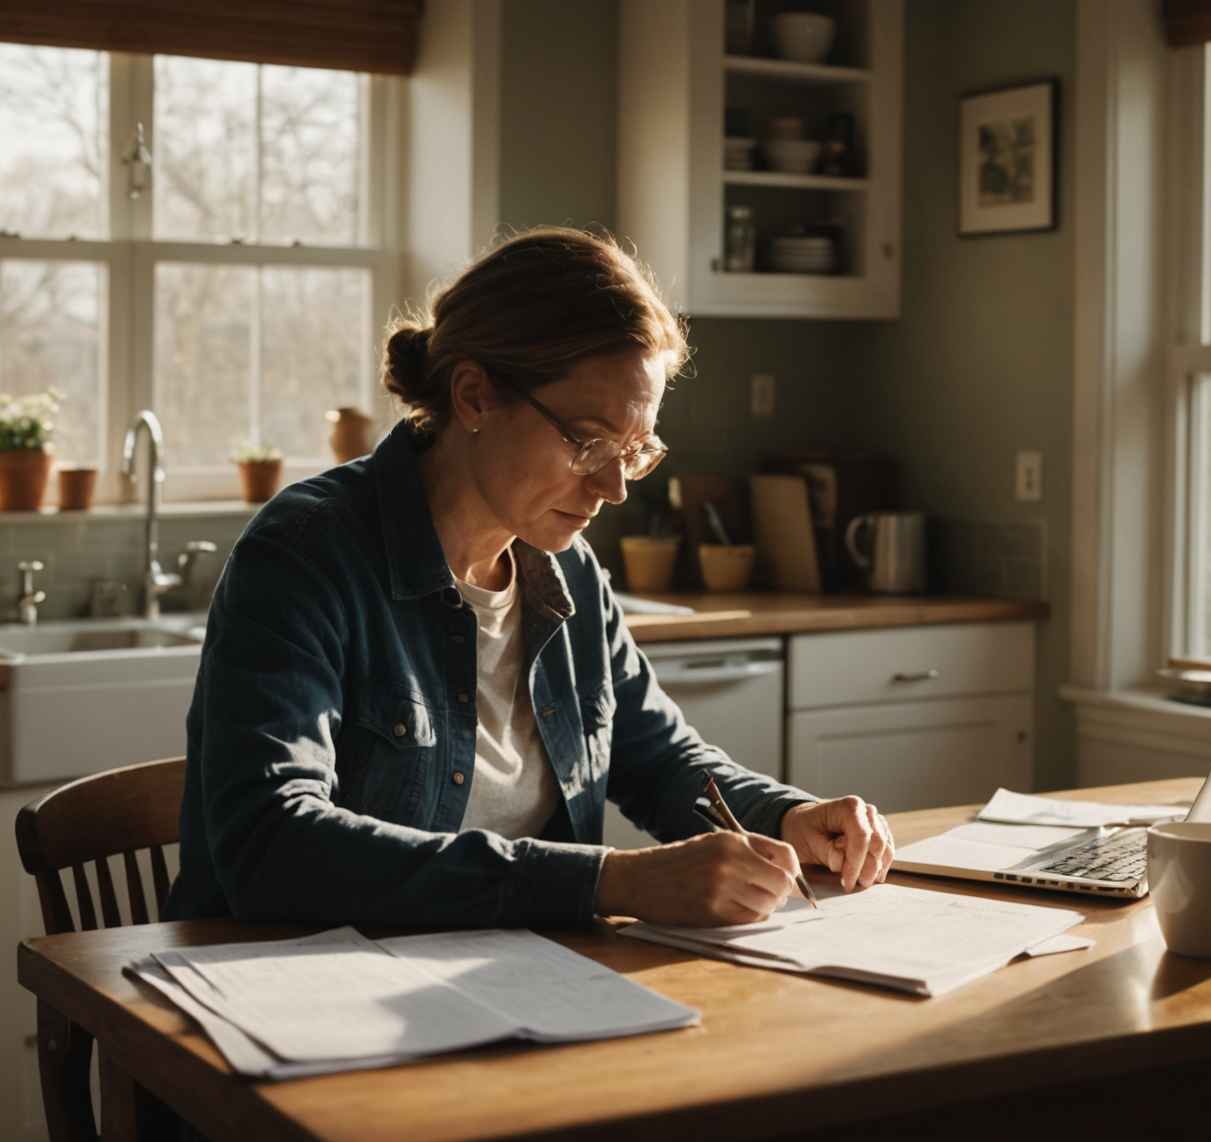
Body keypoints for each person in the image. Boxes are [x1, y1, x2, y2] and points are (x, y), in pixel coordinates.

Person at [162, 227, 894, 930]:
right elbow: (272, 848)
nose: (614, 486)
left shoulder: (565, 568)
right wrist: (608, 881)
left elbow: (661, 760)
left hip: (507, 989)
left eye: (637, 450)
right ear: (474, 396)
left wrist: (788, 817)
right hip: (286, 996)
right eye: (588, 441)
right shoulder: (303, 557)